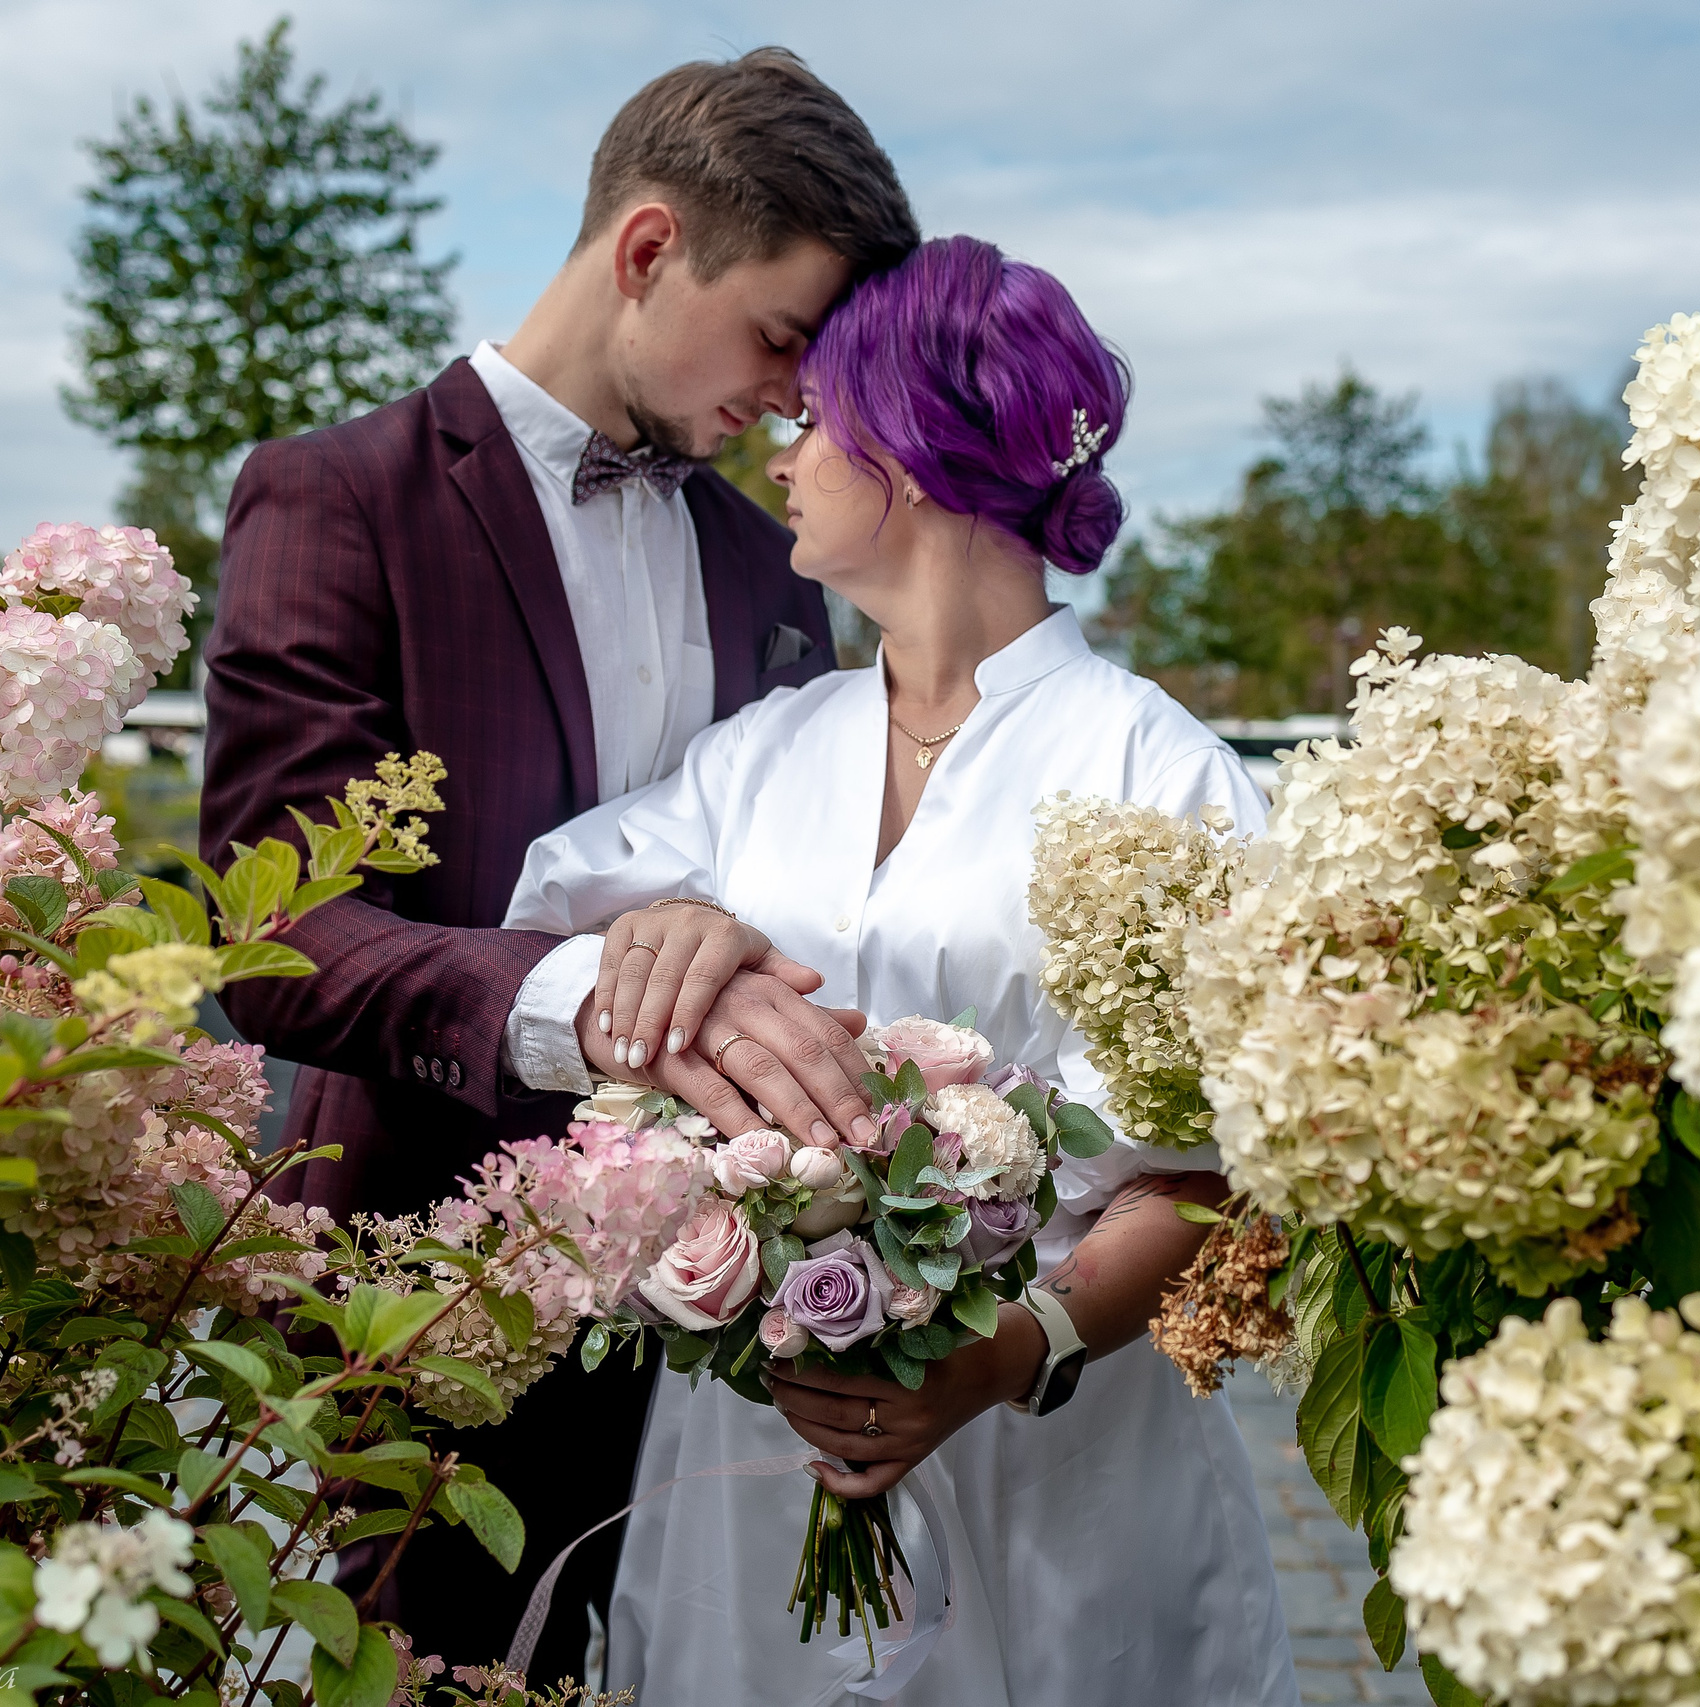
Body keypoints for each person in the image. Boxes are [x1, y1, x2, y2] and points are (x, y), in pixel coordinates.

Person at [198, 49, 918, 1680]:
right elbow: (273, 934)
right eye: (786, 337)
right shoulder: (340, 495)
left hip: (734, 1307)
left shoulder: (770, 557)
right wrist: (587, 999)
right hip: (422, 1277)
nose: (800, 402)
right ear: (651, 248)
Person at [506, 237, 1298, 1705]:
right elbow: (545, 913)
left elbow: (1218, 1168)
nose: (784, 456)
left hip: (1052, 1454)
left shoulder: (1159, 776)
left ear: (917, 452)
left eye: (816, 422)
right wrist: (652, 938)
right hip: (751, 1465)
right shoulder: (763, 752)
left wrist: (1008, 1351)